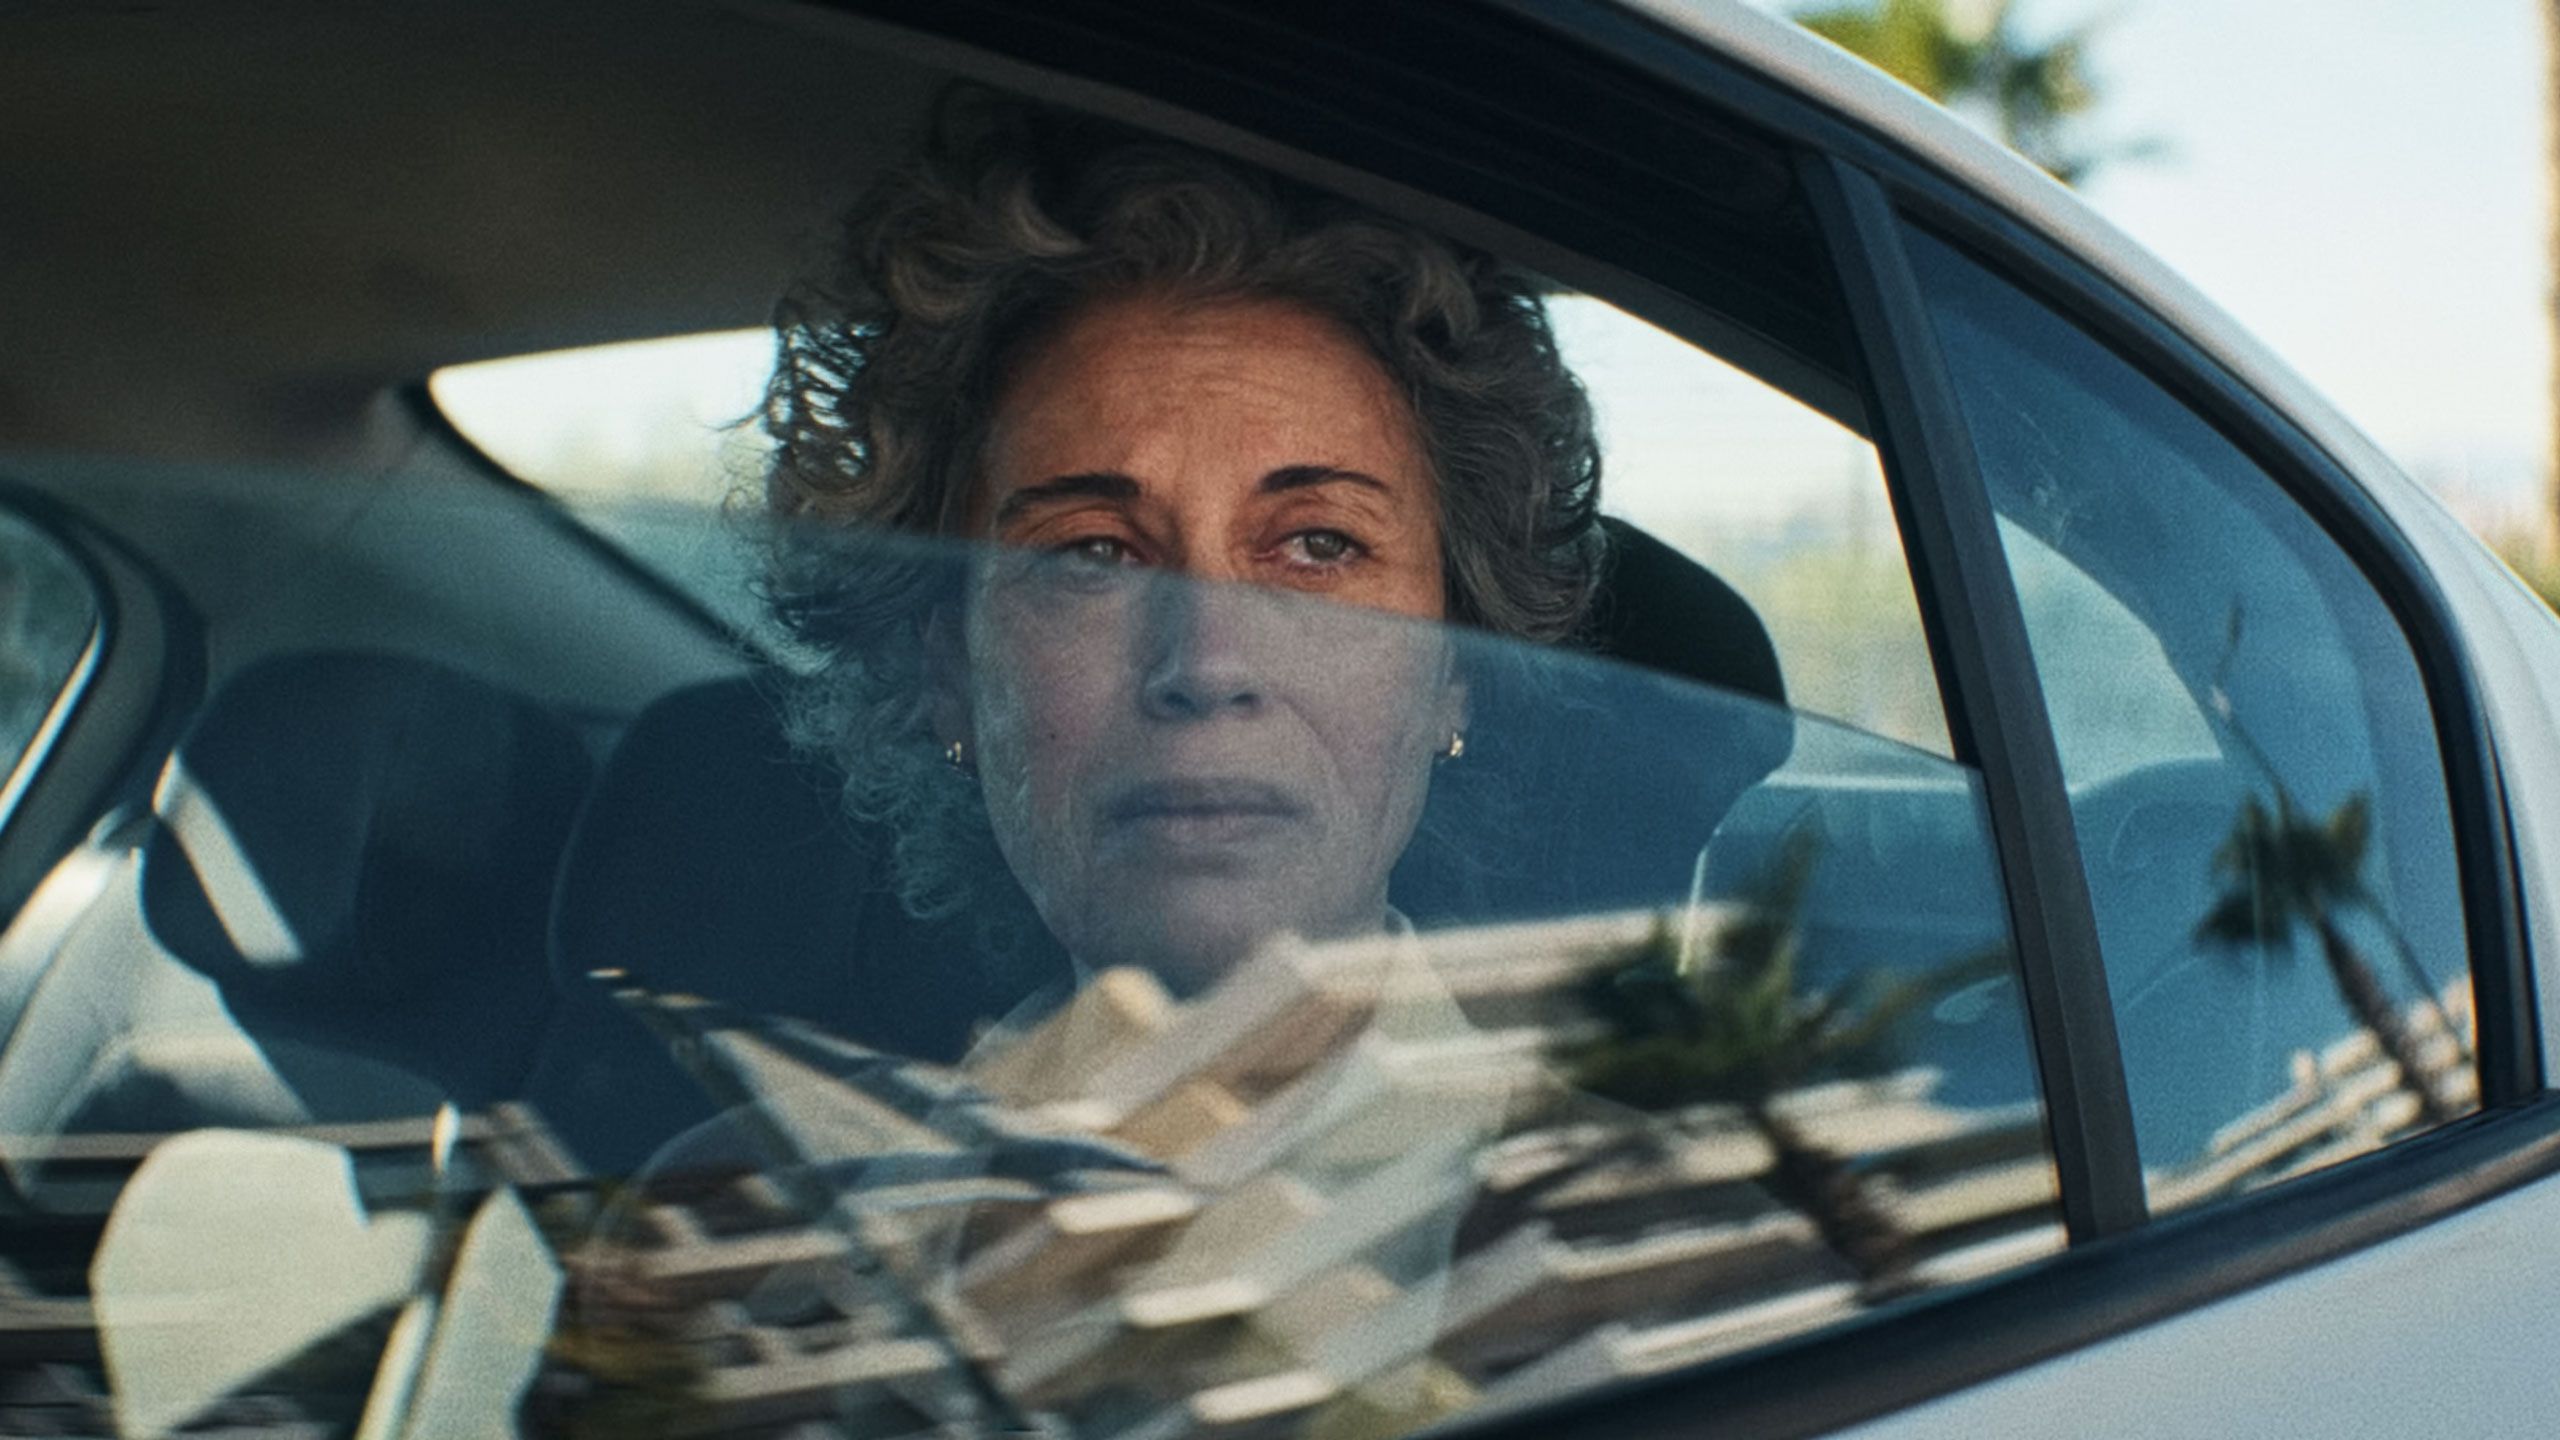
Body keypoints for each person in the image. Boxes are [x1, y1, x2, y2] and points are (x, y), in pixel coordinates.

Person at [760, 92, 1607, 998]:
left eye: (1319, 546)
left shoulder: (1711, 1148)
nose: (1206, 664)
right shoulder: (765, 1148)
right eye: (1091, 556)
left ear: (1455, 676)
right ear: (951, 680)